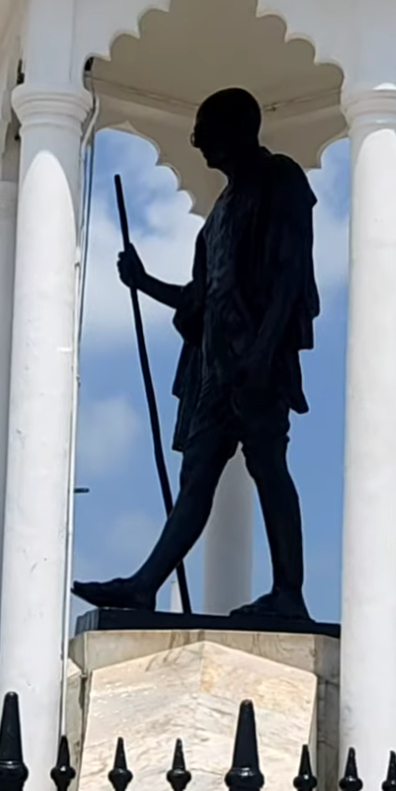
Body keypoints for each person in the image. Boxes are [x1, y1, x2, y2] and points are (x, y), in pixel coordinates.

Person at [73, 87, 319, 620]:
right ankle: (145, 584)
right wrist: (143, 282)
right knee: (197, 476)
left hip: (258, 358)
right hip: (216, 367)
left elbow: (291, 275)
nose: (198, 144)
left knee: (268, 465)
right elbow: (199, 300)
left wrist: (263, 352)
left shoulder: (280, 180)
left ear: (236, 131)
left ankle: (289, 592)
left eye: (205, 133)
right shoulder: (217, 217)